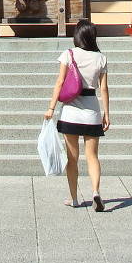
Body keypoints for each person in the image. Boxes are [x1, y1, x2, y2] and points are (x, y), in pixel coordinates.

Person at [45, 19, 110, 211]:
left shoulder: (69, 54)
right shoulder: (101, 58)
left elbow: (60, 82)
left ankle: (74, 198)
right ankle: (96, 192)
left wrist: (50, 108)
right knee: (93, 156)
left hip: (71, 112)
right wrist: (107, 113)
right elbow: (104, 89)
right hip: (92, 111)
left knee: (72, 158)